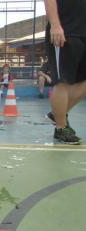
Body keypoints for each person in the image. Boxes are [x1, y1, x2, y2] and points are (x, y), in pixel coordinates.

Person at [44, 0, 86, 145]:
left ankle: (57, 114)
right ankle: (61, 127)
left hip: (83, 31)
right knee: (63, 81)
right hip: (65, 30)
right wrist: (55, 25)